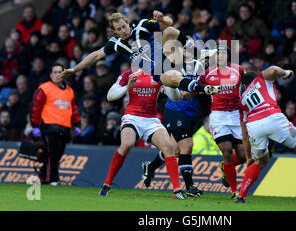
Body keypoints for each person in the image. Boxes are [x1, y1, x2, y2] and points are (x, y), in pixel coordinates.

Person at [234, 66, 296, 203]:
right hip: (272, 116)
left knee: (260, 161)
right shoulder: (260, 79)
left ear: (245, 85)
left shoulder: (241, 103)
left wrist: (248, 157)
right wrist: (286, 73)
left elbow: (244, 134)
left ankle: (241, 196)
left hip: (254, 126)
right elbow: (272, 70)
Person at [59, 11, 220, 96]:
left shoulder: (143, 25)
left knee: (169, 31)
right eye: (118, 29)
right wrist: (75, 69)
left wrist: (162, 19)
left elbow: (170, 23)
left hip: (166, 54)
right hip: (157, 71)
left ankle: (200, 53)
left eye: (124, 26)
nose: (123, 31)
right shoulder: (116, 44)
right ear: (114, 32)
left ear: (127, 22)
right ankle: (203, 89)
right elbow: (95, 55)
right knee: (173, 80)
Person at [98, 67, 186, 199]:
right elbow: (110, 96)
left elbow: (174, 98)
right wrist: (127, 87)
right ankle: (107, 184)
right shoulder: (129, 73)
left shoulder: (160, 74)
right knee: (127, 145)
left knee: (169, 147)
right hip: (132, 117)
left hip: (151, 120)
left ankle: (177, 190)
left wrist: (171, 84)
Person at [142, 43, 205, 197]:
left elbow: (202, 87)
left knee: (175, 150)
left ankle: (150, 167)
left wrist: (193, 93)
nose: (186, 51)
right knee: (187, 146)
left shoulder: (200, 66)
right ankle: (190, 187)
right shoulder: (172, 66)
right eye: (183, 48)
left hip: (191, 112)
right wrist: (167, 89)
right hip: (175, 109)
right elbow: (160, 82)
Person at [197, 44, 252, 199]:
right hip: (218, 116)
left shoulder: (239, 70)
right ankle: (235, 191)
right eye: (218, 54)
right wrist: (185, 94)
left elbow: (248, 84)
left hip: (236, 115)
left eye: (223, 54)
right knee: (227, 151)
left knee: (242, 156)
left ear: (228, 56)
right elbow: (197, 87)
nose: (220, 57)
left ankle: (224, 167)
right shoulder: (208, 73)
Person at [30, 63, 81, 185]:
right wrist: (35, 125)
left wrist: (77, 124)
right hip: (49, 126)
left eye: (60, 72)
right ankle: (52, 179)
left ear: (64, 74)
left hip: (64, 127)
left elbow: (73, 109)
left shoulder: (69, 91)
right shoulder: (44, 88)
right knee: (52, 154)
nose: (58, 74)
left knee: (57, 154)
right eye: (55, 72)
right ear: (50, 75)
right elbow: (35, 107)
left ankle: (41, 176)